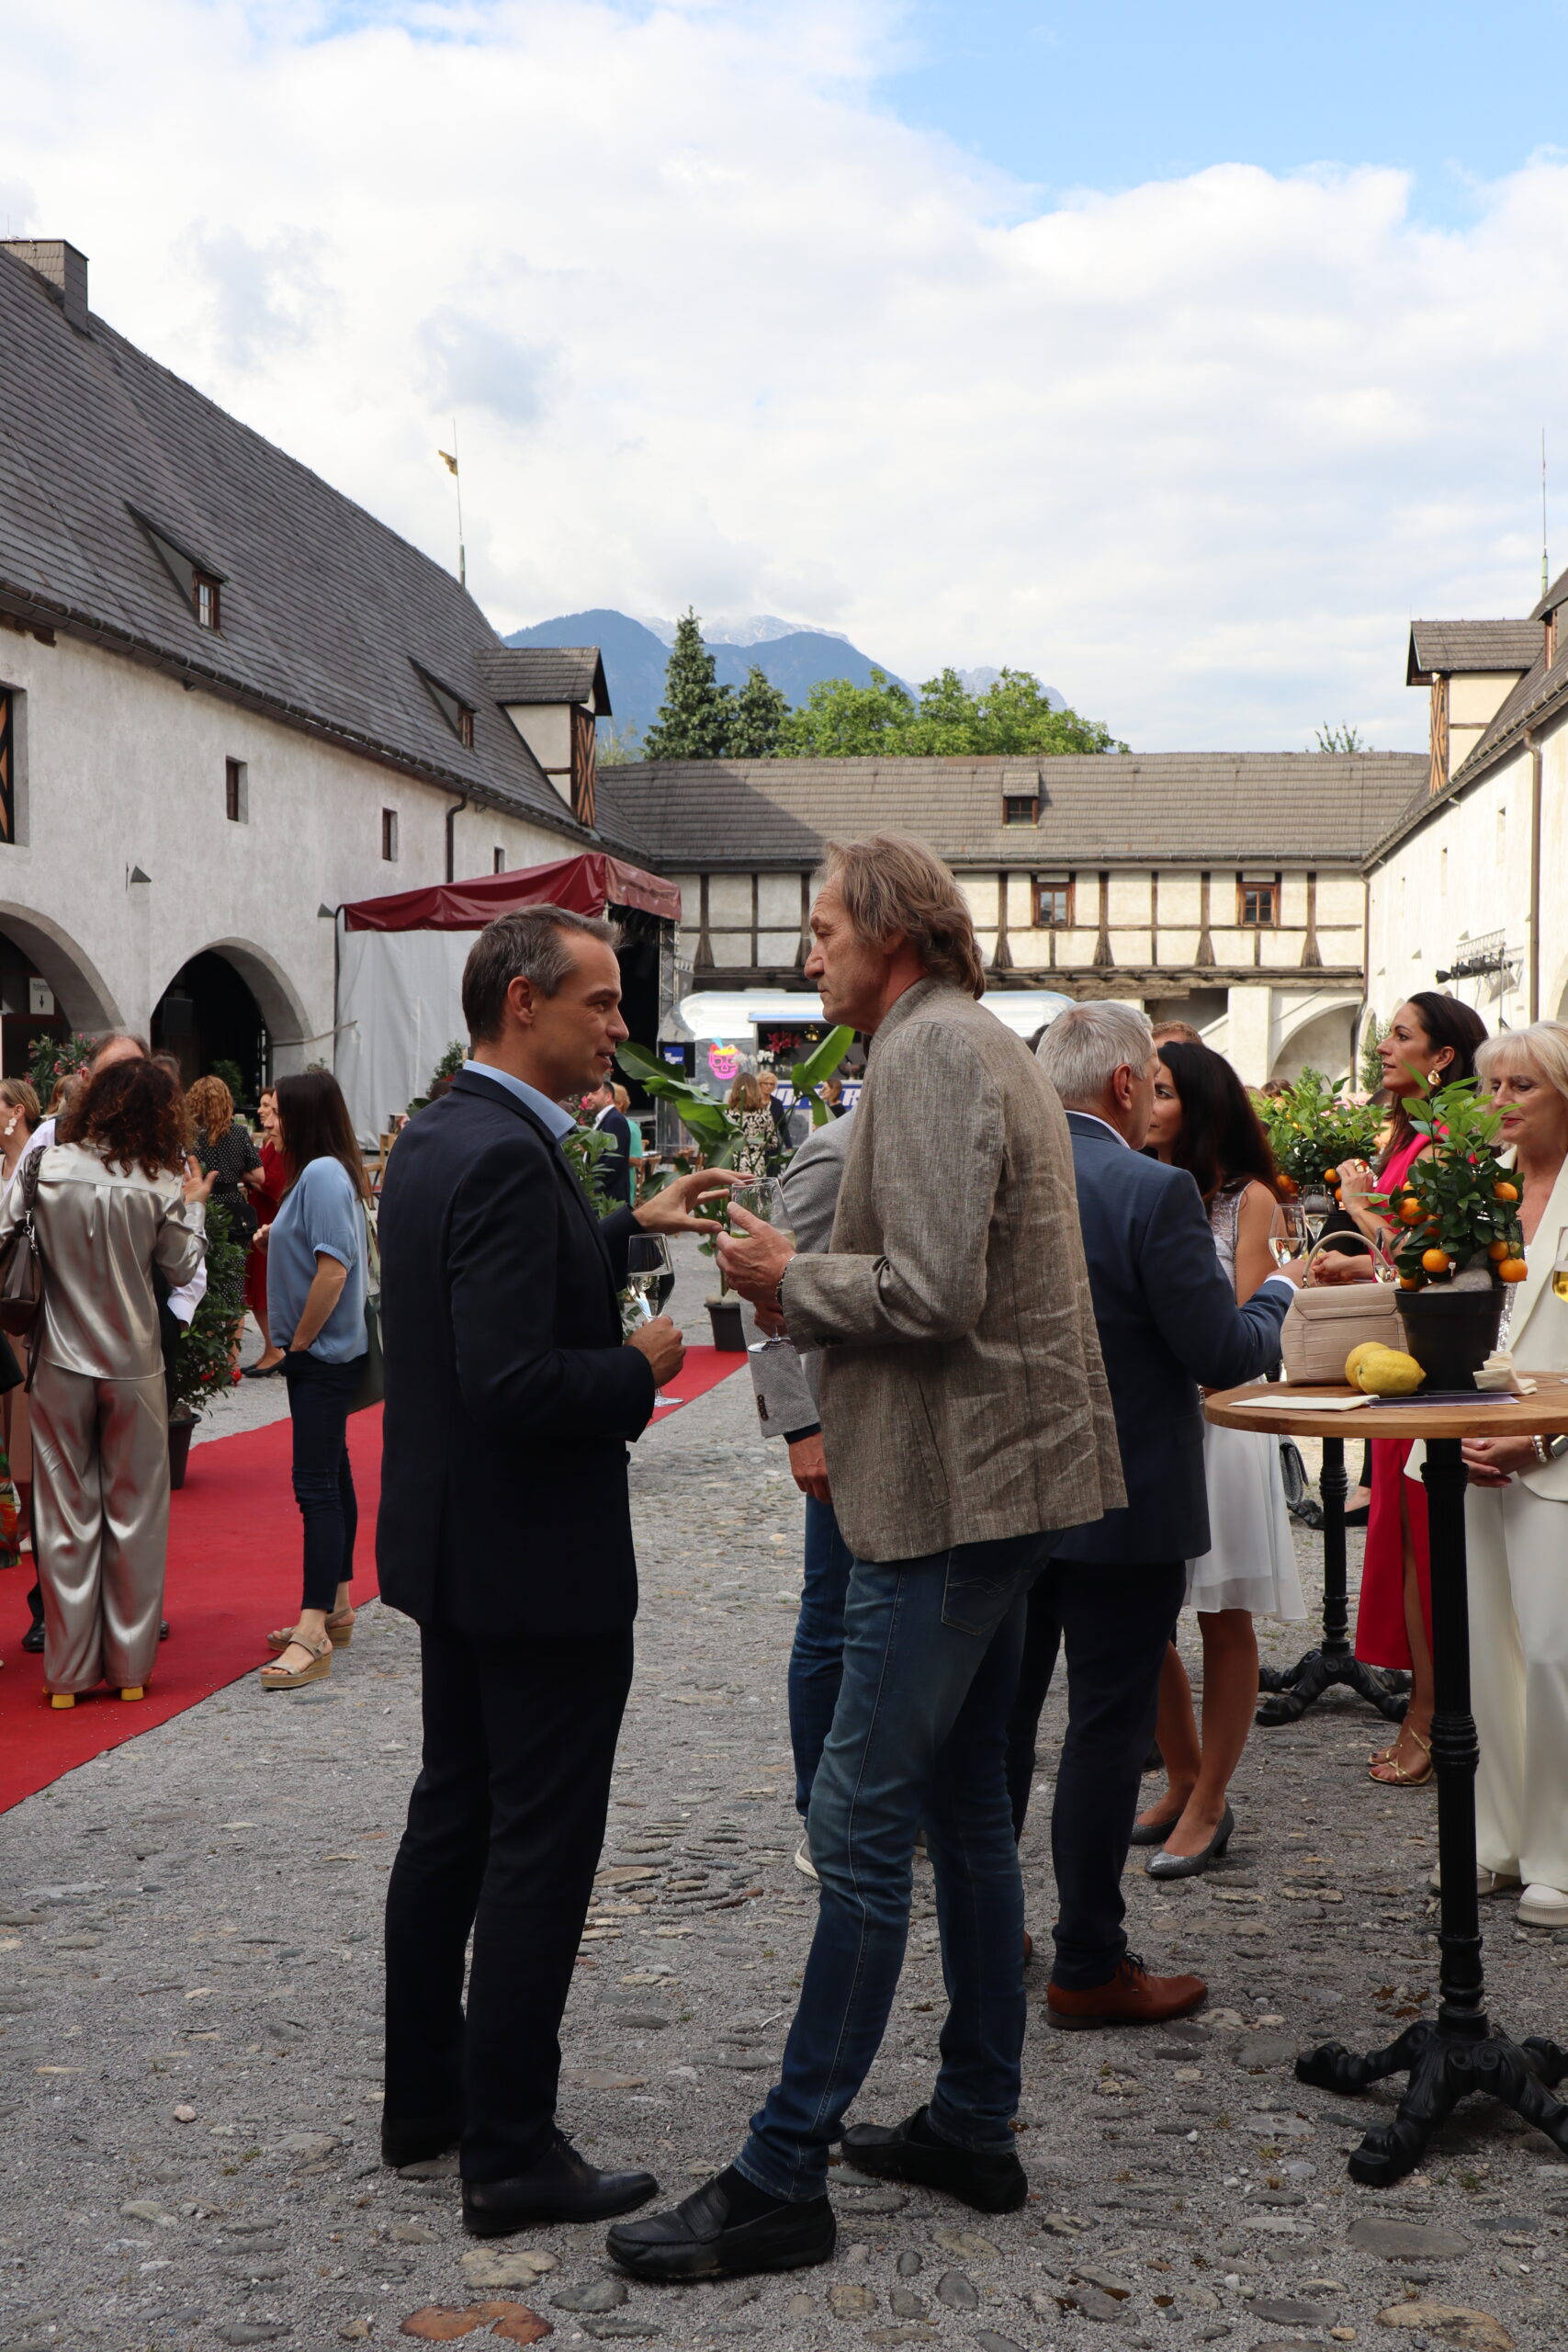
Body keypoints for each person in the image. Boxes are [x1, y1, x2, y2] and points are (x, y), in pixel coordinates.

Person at [611, 832, 1122, 2285]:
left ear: (891, 932)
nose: (807, 953)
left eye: (825, 929)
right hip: (993, 1491)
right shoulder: (962, 1039)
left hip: (954, 1497)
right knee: (963, 1810)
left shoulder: (930, 1052)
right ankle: (972, 2118)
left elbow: (934, 1292)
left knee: (855, 1826)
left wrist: (786, 1278)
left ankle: (782, 2170)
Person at [376, 904, 731, 2239]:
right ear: (520, 1001)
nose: (619, 1025)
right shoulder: (509, 1160)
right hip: (534, 1558)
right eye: (599, 1000)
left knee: (454, 1819)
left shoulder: (446, 1132)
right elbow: (514, 1379)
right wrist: (637, 1368)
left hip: (461, 1547)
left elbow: (484, 1303)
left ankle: (430, 2099)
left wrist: (622, 1221)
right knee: (536, 1842)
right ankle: (511, 2148)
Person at [1009, 1005, 1302, 2006]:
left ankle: (992, 1929)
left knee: (1005, 1724)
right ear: (1127, 1087)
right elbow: (1221, 1352)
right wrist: (1280, 1298)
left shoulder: (1002, 1179)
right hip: (1122, 1502)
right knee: (1100, 1729)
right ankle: (1089, 1959)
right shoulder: (1149, 1190)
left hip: (1010, 1495)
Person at [1133, 1040, 1304, 1875]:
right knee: (1142, 1612)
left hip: (1219, 1419)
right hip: (1147, 1416)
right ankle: (1183, 1773)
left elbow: (1240, 1322)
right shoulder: (1133, 1179)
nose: (1149, 1102)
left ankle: (1208, 1801)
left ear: (1198, 1105)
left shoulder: (1248, 1200)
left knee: (1221, 1616)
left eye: (1163, 1091)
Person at [0, 1057, 205, 1704]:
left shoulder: (46, 1167)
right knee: (137, 1514)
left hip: (59, 1355)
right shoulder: (160, 1179)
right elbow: (181, 1266)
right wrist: (193, 1210)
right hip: (135, 1360)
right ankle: (130, 1670)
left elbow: (4, 1233)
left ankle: (65, 1675)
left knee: (63, 1513)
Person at [1332, 993, 1488, 1786]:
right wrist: (1361, 1259)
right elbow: (1409, 1262)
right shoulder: (1417, 1136)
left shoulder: (1441, 1145)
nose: (1383, 1048)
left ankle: (1430, 1719)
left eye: (1399, 1037)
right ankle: (1429, 1711)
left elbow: (1431, 1261)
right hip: (1402, 1360)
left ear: (1440, 1059)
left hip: (1423, 1369)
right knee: (1407, 1550)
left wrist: (1359, 1211)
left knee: (1423, 1555)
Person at [1451, 1023, 1568, 1928]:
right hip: (1469, 1453)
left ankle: (1557, 1856)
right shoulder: (1473, 1192)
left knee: (1551, 1656)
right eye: (1493, 1088)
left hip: (1556, 1457)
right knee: (1485, 1657)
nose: (1501, 1105)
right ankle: (1495, 1841)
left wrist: (1544, 1440)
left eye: (1521, 1087)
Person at [746, 1106, 857, 1877]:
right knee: (830, 1616)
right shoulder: (830, 1157)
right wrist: (800, 1431)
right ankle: (818, 1810)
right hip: (841, 1427)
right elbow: (768, 1305)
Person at [257, 1071, 372, 1690]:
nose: (267, 1120)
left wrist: (296, 1341)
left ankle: (312, 1629)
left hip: (321, 1354)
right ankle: (338, 1605)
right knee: (334, 1473)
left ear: (303, 1115)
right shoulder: (321, 1172)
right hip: (322, 1352)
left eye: (275, 1111)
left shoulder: (323, 1173)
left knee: (315, 1488)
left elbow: (335, 1266)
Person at [242, 1086, 290, 1376]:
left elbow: (274, 1185)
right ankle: (271, 1349)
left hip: (269, 1219)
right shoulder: (272, 1143)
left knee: (261, 1286)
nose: (264, 1113)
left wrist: (247, 1174)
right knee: (258, 1286)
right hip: (261, 1218)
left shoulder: (282, 1145)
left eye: (269, 1107)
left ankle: (274, 1349)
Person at [582, 1079, 634, 1208]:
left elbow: (612, 1160)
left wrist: (595, 1189)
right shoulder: (607, 1119)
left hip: (608, 1199)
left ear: (608, 1097)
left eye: (594, 1093)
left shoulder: (614, 1120)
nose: (588, 1097)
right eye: (588, 1094)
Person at [727, 1071, 774, 1179]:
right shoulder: (765, 1114)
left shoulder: (727, 1114)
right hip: (756, 1166)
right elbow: (773, 1142)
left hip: (732, 1167)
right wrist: (757, 1146)